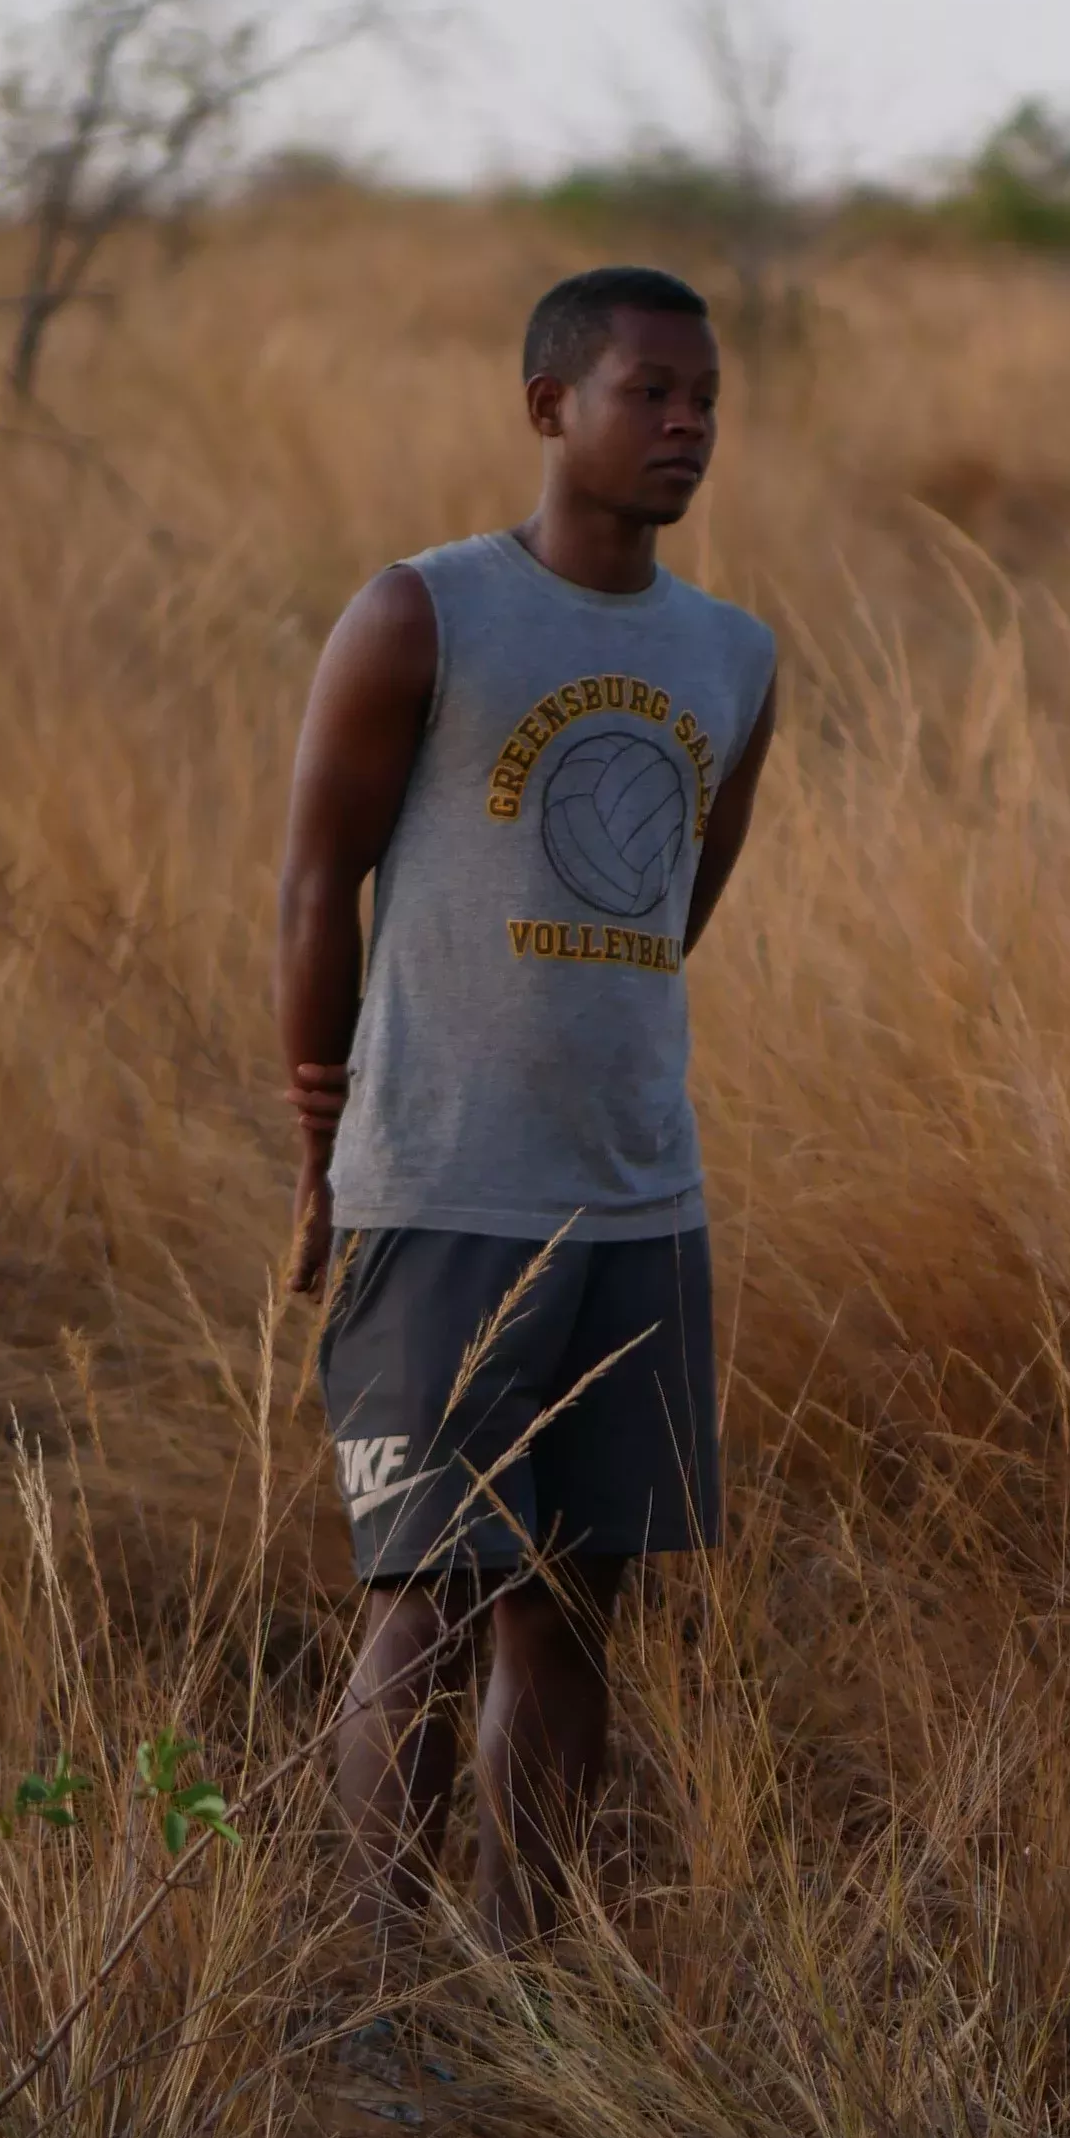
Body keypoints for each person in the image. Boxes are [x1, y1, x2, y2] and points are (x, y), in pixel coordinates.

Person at [277, 263, 779, 1989]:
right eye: (652, 392)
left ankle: (519, 1992)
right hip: (443, 1186)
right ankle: (381, 1995)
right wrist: (319, 1143)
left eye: (706, 397)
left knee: (574, 1612)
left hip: (638, 1202)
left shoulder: (732, 657)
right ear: (548, 407)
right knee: (420, 1598)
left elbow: (666, 910)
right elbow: (314, 886)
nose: (689, 425)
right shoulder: (425, 613)